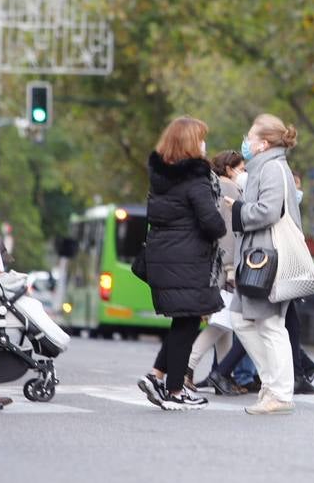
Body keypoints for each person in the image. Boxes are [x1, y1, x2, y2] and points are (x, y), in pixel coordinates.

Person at [134, 117, 227, 411]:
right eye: (201, 138)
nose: (204, 144)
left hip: (166, 257)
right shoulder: (195, 179)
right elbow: (211, 223)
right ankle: (175, 390)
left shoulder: (161, 179)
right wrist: (223, 216)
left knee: (183, 321)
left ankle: (156, 376)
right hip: (188, 260)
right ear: (190, 143)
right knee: (187, 323)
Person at [225, 113, 303, 415]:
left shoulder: (271, 168)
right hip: (258, 256)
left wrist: (240, 210)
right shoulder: (268, 166)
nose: (246, 141)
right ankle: (273, 385)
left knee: (270, 325)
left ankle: (280, 392)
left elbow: (268, 211)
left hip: (265, 257)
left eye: (250, 137)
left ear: (263, 143)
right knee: (244, 320)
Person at [185, 150, 246, 394]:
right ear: (230, 169)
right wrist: (231, 267)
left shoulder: (215, 186)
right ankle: (188, 367)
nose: (244, 172)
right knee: (222, 323)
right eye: (241, 167)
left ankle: (222, 375)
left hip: (215, 263)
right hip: (225, 266)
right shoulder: (229, 187)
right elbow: (229, 232)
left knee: (224, 322)